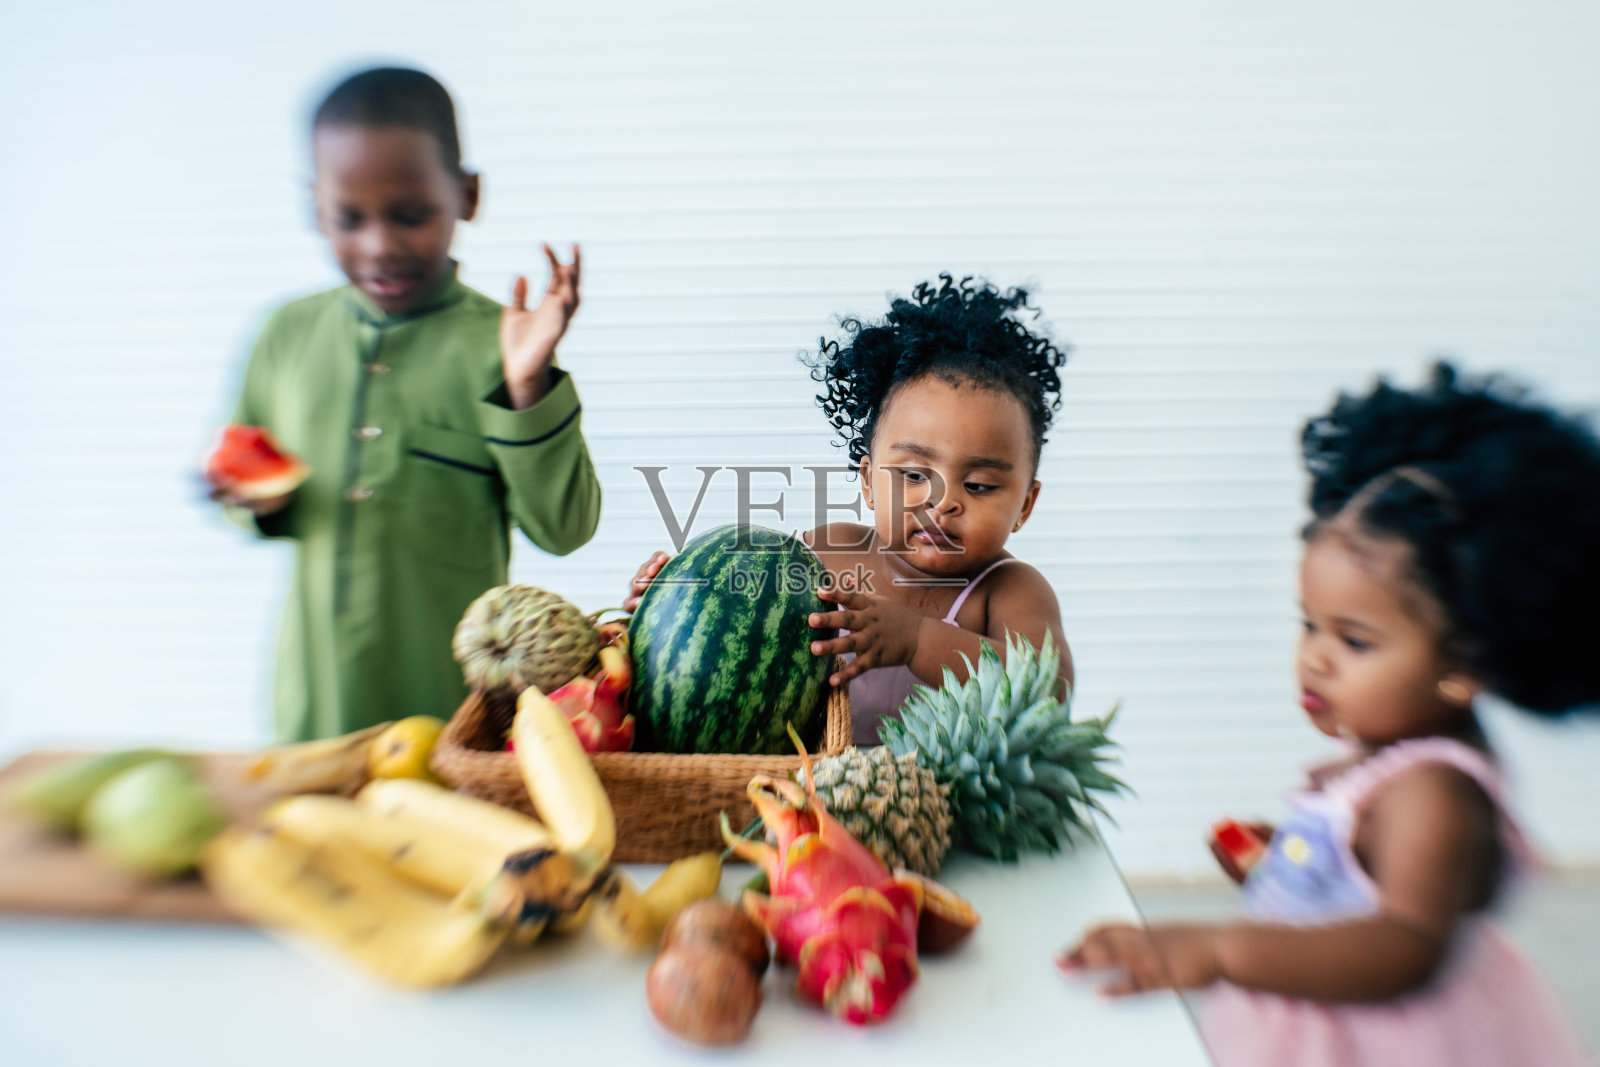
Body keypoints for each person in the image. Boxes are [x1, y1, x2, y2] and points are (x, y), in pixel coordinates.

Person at [1059, 363, 1600, 1066]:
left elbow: (1404, 943)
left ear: (1464, 665)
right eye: (1308, 624)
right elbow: (1360, 887)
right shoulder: (1398, 749)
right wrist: (1293, 868)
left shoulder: (1433, 791)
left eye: (1354, 640)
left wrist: (1219, 946)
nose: (1314, 659)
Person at [213, 67, 601, 742]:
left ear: (467, 196)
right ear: (315, 207)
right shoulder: (283, 336)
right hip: (311, 711)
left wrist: (527, 385)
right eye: (349, 218)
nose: (380, 245)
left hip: (455, 723)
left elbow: (564, 529)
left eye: (411, 214)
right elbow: (240, 493)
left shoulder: (504, 345)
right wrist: (252, 499)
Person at [626, 274, 1075, 744]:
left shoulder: (1009, 591)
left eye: (980, 484)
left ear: (1025, 505)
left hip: (947, 811)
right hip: (808, 803)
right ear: (869, 483)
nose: (943, 502)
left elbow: (1052, 689)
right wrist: (668, 605)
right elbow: (737, 618)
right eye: (914, 476)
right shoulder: (830, 553)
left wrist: (919, 640)